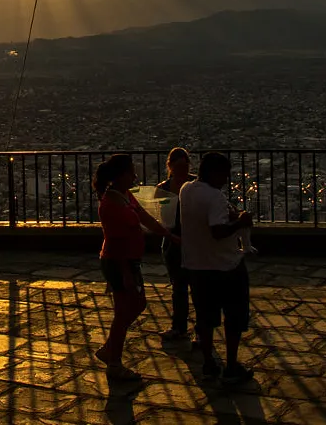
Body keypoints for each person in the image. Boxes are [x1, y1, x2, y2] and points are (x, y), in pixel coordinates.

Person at [94, 153, 182, 382]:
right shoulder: (110, 204)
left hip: (128, 261)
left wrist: (169, 236)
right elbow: (117, 240)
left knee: (135, 305)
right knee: (124, 312)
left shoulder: (124, 197)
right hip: (119, 262)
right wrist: (125, 272)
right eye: (131, 172)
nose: (135, 176)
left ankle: (110, 350)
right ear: (120, 175)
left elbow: (145, 218)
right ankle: (114, 363)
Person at [180, 152, 255, 386]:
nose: (225, 179)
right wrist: (240, 222)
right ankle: (231, 365)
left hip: (195, 263)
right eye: (223, 174)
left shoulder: (186, 190)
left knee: (205, 316)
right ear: (213, 173)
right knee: (234, 316)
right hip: (224, 265)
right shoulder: (214, 197)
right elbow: (217, 231)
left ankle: (209, 363)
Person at [156, 147, 196, 344]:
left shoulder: (197, 184)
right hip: (173, 241)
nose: (182, 170)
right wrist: (171, 236)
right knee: (179, 287)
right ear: (170, 167)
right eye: (178, 167)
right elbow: (163, 218)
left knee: (198, 287)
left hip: (194, 241)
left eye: (185, 166)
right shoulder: (163, 188)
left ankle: (201, 329)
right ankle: (179, 327)